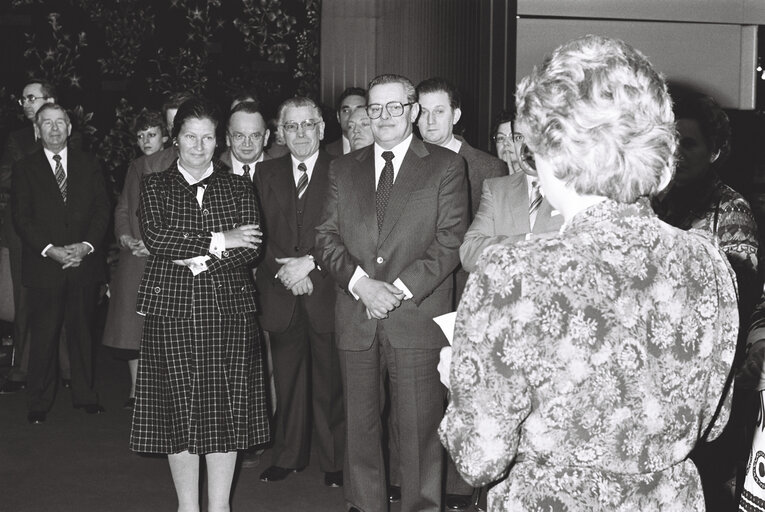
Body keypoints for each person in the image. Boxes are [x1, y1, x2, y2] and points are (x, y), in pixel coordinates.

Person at [439, 34, 739, 511]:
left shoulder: (514, 272)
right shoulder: (710, 262)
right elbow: (715, 421)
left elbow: (478, 459)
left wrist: (460, 380)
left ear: (551, 152)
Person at [316, 73, 469, 512]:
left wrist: (395, 291)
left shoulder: (444, 166)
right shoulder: (342, 169)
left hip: (415, 319)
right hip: (357, 316)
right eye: (374, 109)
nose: (383, 117)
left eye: (394, 107)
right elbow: (325, 238)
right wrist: (362, 285)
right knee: (360, 432)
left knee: (420, 435)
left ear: (413, 111)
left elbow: (450, 241)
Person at [129, 98, 269, 512]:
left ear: (218, 140)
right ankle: (187, 507)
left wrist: (190, 250)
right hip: (171, 313)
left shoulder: (240, 185)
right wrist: (221, 239)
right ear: (176, 140)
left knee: (223, 411)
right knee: (178, 411)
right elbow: (157, 239)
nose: (199, 145)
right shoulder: (154, 185)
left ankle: (220, 506)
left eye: (208, 137)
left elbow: (253, 250)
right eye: (191, 136)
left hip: (227, 312)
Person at [653, 89, 759, 509]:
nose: (678, 153)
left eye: (690, 143)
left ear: (715, 152)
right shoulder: (656, 202)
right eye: (672, 142)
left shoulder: (730, 210)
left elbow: (739, 299)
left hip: (711, 385)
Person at [254, 96, 344, 488]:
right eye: (292, 126)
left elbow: (349, 231)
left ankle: (335, 461)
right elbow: (257, 235)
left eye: (308, 125)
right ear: (280, 132)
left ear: (322, 128)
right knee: (287, 382)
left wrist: (312, 264)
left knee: (331, 383)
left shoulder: (345, 170)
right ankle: (288, 456)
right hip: (281, 292)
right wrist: (287, 271)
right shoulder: (265, 173)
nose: (301, 133)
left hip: (327, 290)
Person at [12, 103, 110, 424]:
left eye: (60, 122)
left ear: (70, 128)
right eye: (47, 123)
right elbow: (21, 217)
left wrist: (85, 246)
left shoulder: (90, 164)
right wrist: (50, 249)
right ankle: (38, 401)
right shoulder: (25, 168)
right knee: (44, 336)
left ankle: (85, 396)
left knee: (82, 333)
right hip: (45, 265)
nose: (54, 129)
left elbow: (102, 210)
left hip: (83, 263)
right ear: (37, 131)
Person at [0, 79, 74, 394]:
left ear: (50, 99)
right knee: (26, 297)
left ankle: (69, 369)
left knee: (68, 297)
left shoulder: (71, 139)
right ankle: (23, 370)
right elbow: (6, 176)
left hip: (64, 230)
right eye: (23, 98)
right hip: (23, 231)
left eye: (32, 97)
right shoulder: (16, 139)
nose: (26, 102)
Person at [101, 111, 168, 410]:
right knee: (131, 330)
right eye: (140, 136)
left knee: (163, 330)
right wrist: (125, 236)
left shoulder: (177, 163)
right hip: (134, 258)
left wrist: (154, 244)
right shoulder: (135, 166)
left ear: (165, 136)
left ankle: (164, 392)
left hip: (164, 257)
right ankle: (136, 391)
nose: (145, 141)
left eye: (151, 134)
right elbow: (123, 208)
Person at [459, 110, 563, 273]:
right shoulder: (496, 190)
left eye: (529, 137)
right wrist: (527, 241)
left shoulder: (573, 187)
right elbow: (469, 253)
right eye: (518, 138)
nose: (524, 148)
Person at [220, 101, 272, 178]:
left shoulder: (283, 174)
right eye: (239, 136)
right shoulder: (210, 172)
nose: (247, 143)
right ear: (228, 138)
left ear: (266, 137)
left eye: (255, 135)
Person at [325, 87, 367, 156]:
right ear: (338, 117)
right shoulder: (325, 152)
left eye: (358, 110)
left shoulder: (380, 150)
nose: (352, 116)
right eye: (346, 111)